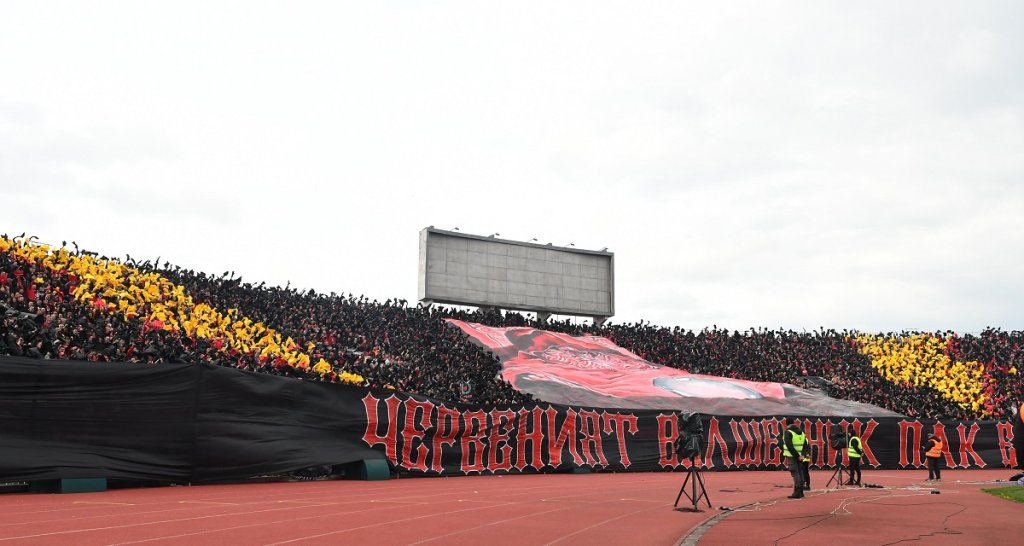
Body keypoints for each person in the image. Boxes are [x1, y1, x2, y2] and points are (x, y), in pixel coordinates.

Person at [782, 422, 808, 499]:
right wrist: (802, 455)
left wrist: (797, 456)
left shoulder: (788, 432)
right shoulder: (802, 433)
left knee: (795, 472)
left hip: (792, 456)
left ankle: (797, 492)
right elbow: (805, 445)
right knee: (800, 472)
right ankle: (801, 492)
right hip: (800, 455)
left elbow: (789, 445)